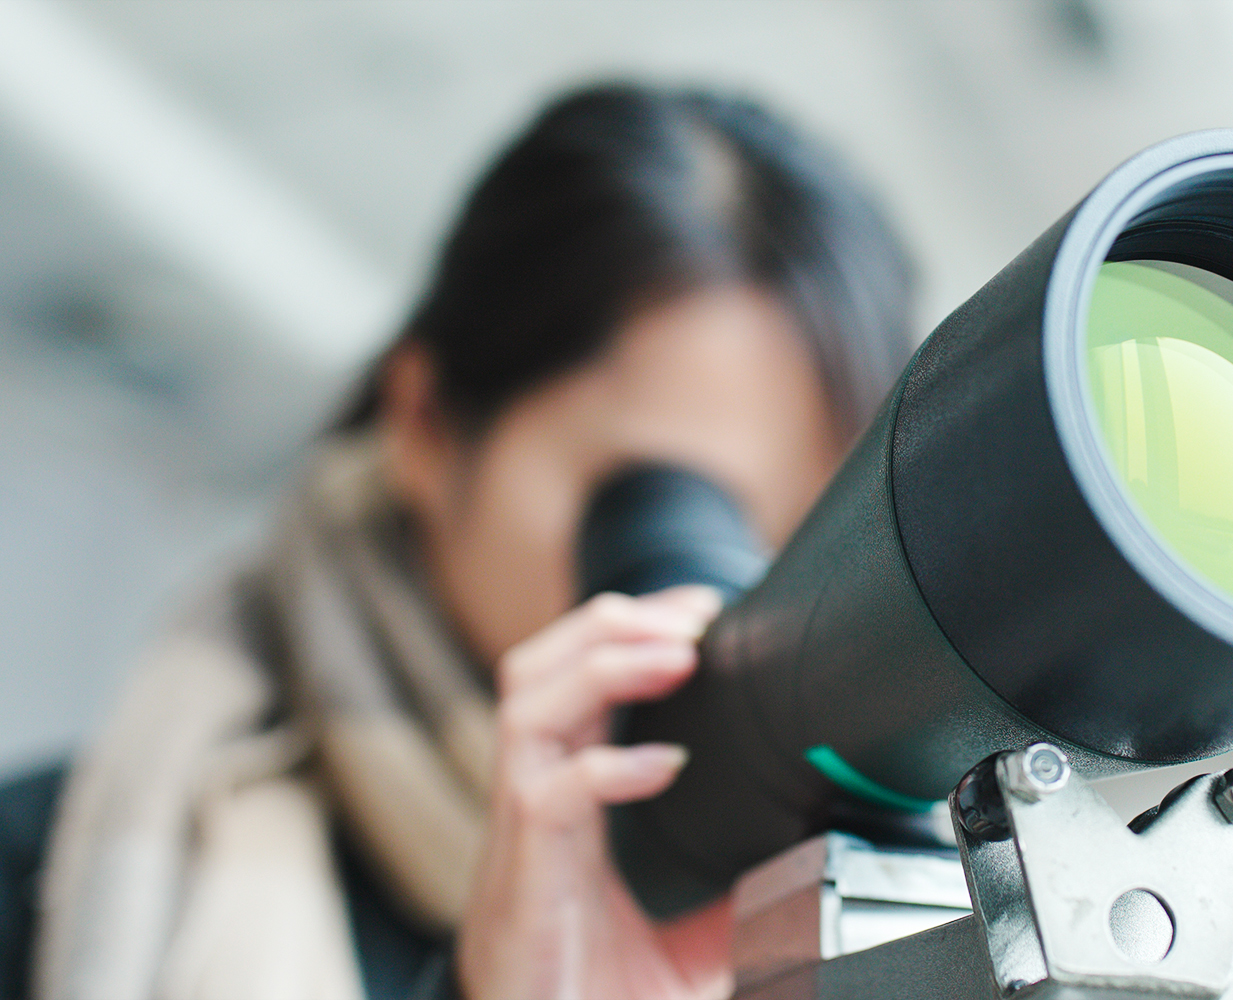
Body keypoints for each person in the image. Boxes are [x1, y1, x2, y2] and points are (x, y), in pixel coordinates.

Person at [4, 82, 913, 1000]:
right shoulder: (53, 878)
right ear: (426, 424)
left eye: (799, 536)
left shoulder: (828, 938)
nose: (731, 595)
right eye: (661, 505)